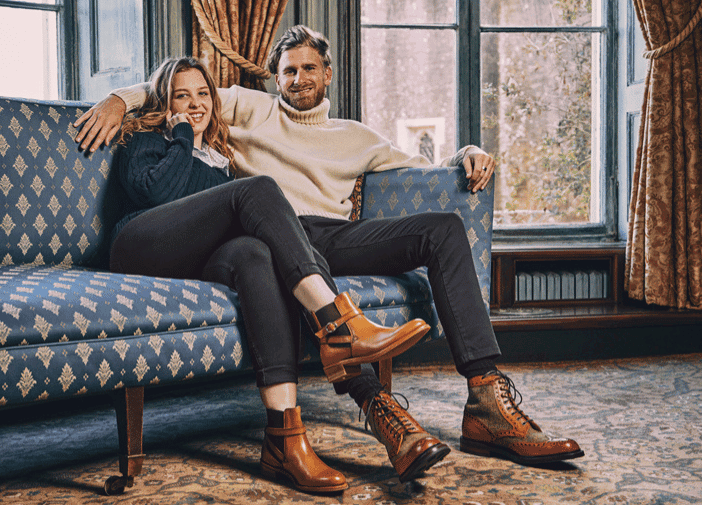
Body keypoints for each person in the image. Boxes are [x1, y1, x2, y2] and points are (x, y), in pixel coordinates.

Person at [76, 26, 584, 483]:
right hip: (270, 231)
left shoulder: (350, 136)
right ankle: (370, 387)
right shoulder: (248, 109)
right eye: (287, 71)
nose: (298, 79)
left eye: (308, 68)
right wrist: (120, 101)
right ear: (274, 78)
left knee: (443, 229)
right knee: (265, 213)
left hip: (325, 235)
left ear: (327, 73)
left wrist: (465, 154)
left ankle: (487, 401)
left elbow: (419, 167)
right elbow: (170, 90)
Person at [107, 56, 437, 493]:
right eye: (181, 96)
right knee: (260, 187)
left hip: (190, 258)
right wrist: (182, 134)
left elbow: (217, 228)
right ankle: (338, 324)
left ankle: (284, 438)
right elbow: (158, 193)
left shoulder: (222, 157)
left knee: (255, 254)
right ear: (165, 103)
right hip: (138, 246)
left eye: (203, 94)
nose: (195, 103)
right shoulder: (146, 138)